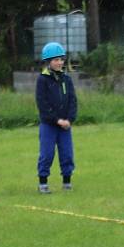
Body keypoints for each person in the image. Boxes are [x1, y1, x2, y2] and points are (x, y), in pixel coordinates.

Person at [35, 41, 78, 193]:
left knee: (67, 154)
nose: (60, 62)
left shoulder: (66, 79)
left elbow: (72, 100)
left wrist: (69, 120)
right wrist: (56, 120)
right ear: (48, 62)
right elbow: (42, 104)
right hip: (49, 125)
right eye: (56, 60)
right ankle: (43, 183)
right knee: (47, 154)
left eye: (61, 59)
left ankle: (67, 182)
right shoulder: (42, 80)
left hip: (65, 125)